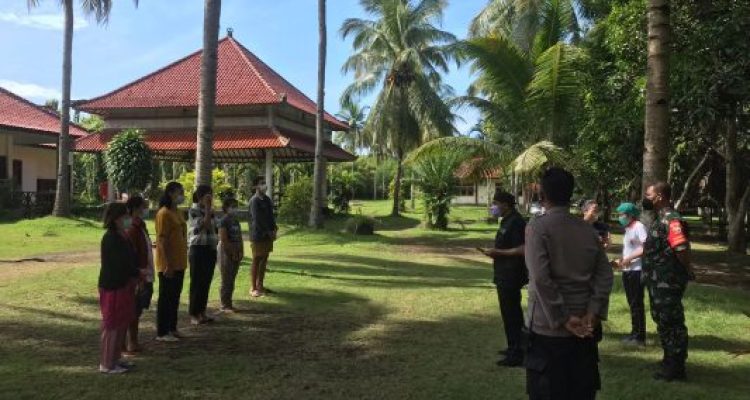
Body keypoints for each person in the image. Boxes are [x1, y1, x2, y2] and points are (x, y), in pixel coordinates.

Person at [524, 168, 614, 400]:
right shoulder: (586, 229)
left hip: (548, 330)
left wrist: (563, 317)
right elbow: (605, 274)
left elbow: (541, 278)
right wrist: (593, 311)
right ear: (570, 194)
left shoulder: (537, 227)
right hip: (585, 327)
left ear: (542, 195)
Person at [642, 182, 695, 381]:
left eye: (649, 194)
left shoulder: (672, 219)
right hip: (658, 282)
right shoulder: (660, 218)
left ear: (660, 196)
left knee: (672, 323)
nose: (646, 198)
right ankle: (669, 359)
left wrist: (687, 269)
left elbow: (681, 248)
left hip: (668, 281)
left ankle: (677, 367)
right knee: (662, 320)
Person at [481, 190, 527, 367]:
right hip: (503, 274)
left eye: (495, 203)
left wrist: (498, 252)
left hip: (511, 275)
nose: (493, 207)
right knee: (508, 314)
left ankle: (518, 353)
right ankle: (513, 346)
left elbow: (523, 249)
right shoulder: (507, 220)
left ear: (505, 205)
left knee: (512, 314)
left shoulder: (516, 222)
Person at [98, 202, 139, 374]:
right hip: (113, 286)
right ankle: (107, 364)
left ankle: (116, 359)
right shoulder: (111, 238)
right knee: (112, 325)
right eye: (125, 216)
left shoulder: (122, 236)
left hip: (124, 285)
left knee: (121, 323)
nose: (128, 219)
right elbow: (119, 264)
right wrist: (138, 272)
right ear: (116, 219)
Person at [155, 181, 188, 342]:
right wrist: (168, 264)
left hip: (180, 261)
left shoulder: (178, 212)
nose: (182, 195)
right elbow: (162, 240)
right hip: (168, 263)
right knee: (166, 297)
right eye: (179, 192)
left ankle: (172, 328)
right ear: (170, 193)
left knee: (175, 296)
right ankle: (162, 332)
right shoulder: (164, 213)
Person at [124, 195, 155, 354]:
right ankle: (131, 342)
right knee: (133, 310)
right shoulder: (132, 228)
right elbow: (133, 254)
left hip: (145, 272)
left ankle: (131, 342)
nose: (146, 209)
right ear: (136, 208)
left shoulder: (141, 226)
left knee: (137, 309)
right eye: (143, 206)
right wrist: (139, 276)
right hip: (138, 275)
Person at [614, 202, 648, 347]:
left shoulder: (639, 226)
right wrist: (622, 260)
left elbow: (645, 247)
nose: (620, 217)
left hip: (636, 270)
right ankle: (634, 332)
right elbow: (630, 249)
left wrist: (629, 259)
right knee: (632, 303)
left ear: (630, 215)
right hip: (628, 270)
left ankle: (640, 337)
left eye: (622, 214)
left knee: (636, 303)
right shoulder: (628, 228)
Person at [188, 185, 219, 325]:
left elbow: (215, 227)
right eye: (207, 196)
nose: (210, 198)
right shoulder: (193, 210)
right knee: (197, 282)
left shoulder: (210, 211)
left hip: (210, 248)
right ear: (200, 197)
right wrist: (207, 209)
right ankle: (194, 313)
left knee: (206, 281)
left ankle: (202, 311)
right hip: (198, 249)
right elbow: (204, 225)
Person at [248, 177, 278, 297]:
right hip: (258, 234)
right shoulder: (254, 201)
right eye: (261, 183)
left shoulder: (267, 199)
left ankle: (260, 285)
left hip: (268, 235)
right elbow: (257, 219)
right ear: (256, 186)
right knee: (256, 259)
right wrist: (267, 231)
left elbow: (271, 216)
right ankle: (253, 287)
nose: (264, 185)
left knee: (264, 259)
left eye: (264, 183)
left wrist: (274, 229)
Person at [218, 197, 244, 312]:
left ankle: (229, 303)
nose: (235, 209)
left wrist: (241, 251)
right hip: (226, 252)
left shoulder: (235, 221)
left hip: (236, 250)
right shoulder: (224, 221)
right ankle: (224, 304)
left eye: (236, 206)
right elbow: (224, 239)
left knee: (232, 278)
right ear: (226, 208)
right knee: (226, 278)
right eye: (233, 206)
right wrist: (231, 252)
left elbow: (240, 237)